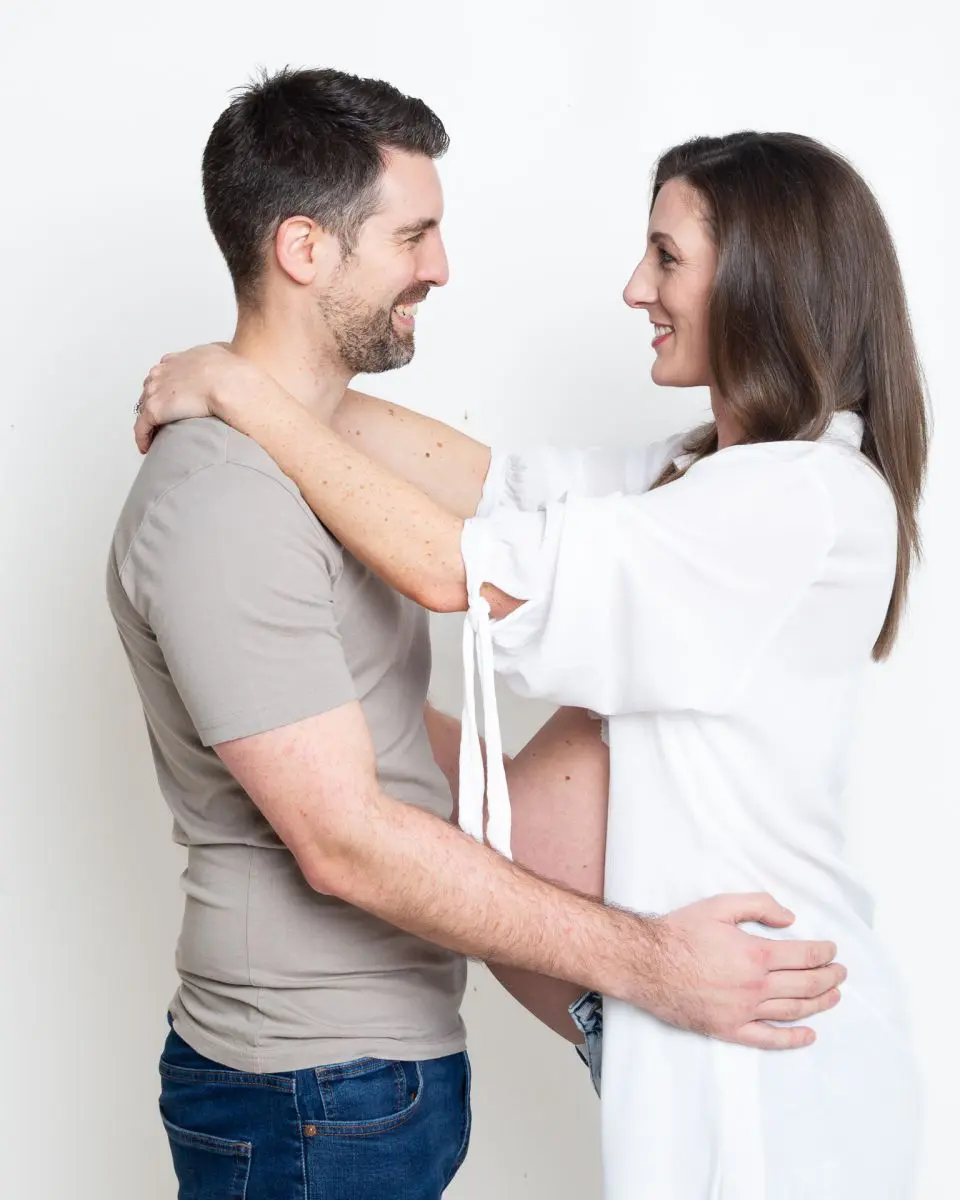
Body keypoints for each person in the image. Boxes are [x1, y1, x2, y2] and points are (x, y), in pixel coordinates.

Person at [136, 130, 927, 1199]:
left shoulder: (791, 501)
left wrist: (245, 392)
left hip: (762, 1034)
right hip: (669, 1022)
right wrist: (270, 379)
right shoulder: (700, 472)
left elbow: (451, 565)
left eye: (666, 257)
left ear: (761, 278)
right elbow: (488, 485)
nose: (634, 287)